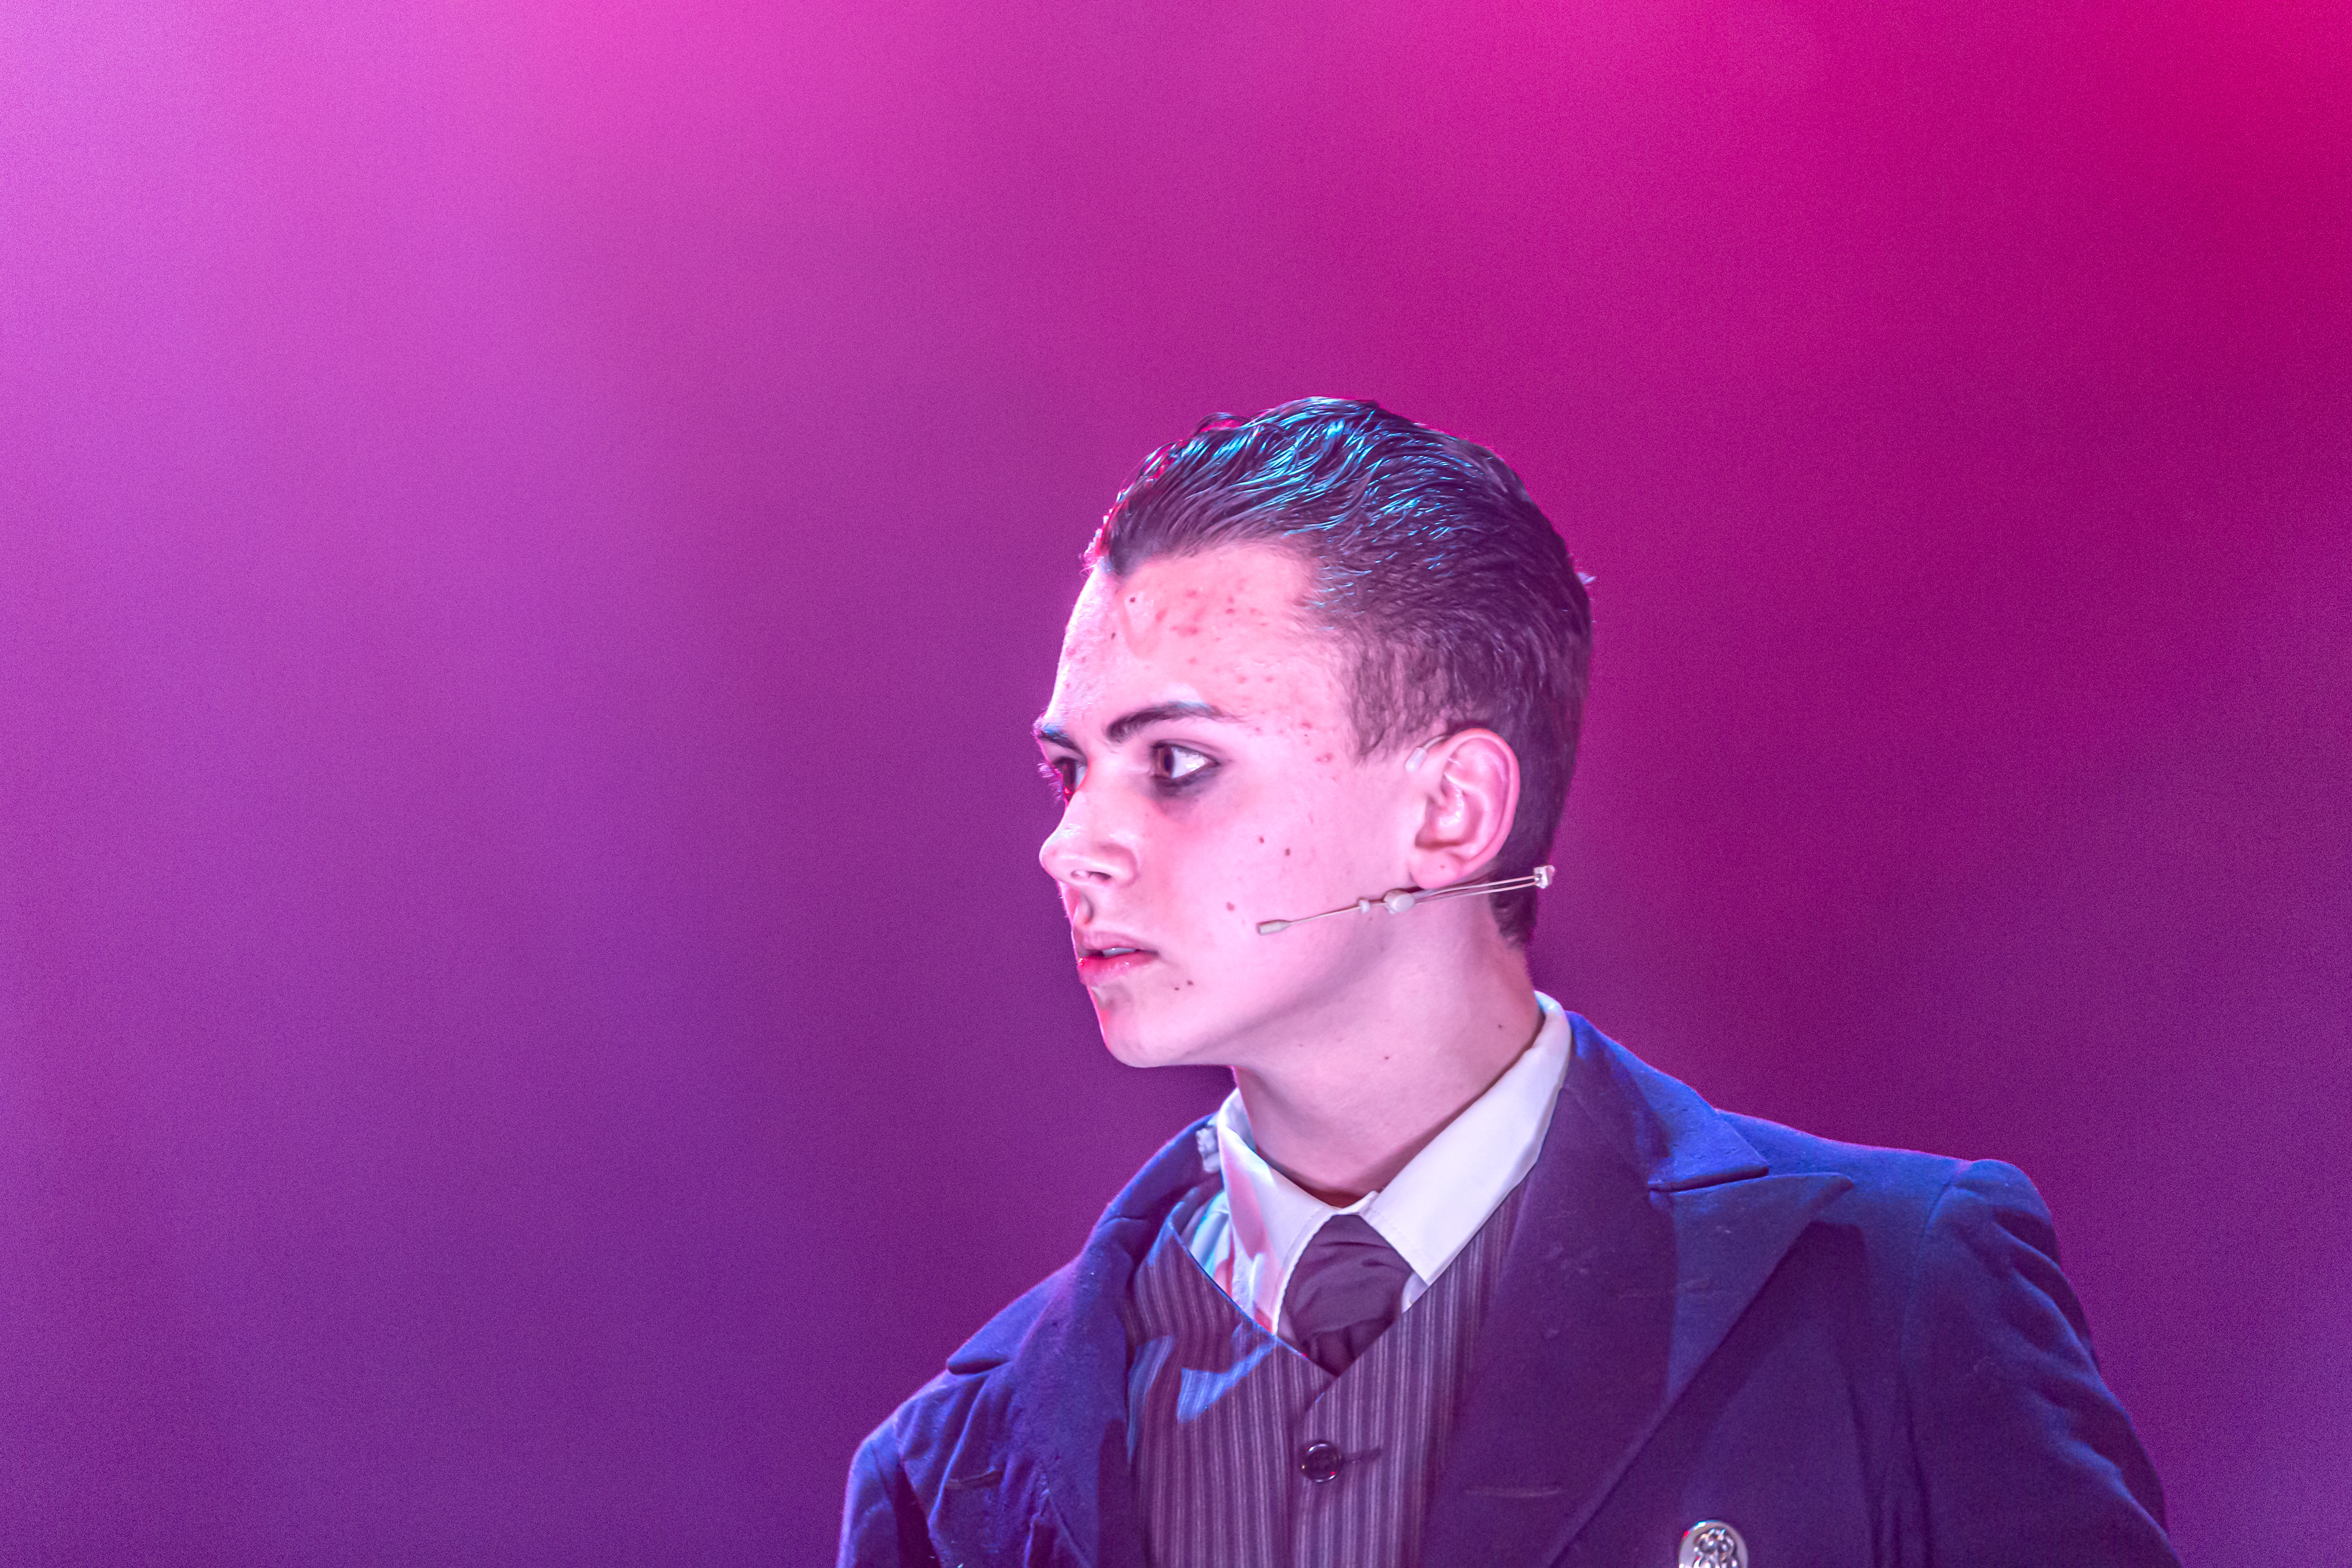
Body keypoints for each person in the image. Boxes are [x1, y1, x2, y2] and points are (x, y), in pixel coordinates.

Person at [835, 399, 2176, 1568]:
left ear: (1453, 810)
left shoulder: (1890, 1297)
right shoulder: (953, 1466)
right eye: (1070, 770)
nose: (1072, 843)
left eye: (1176, 763)